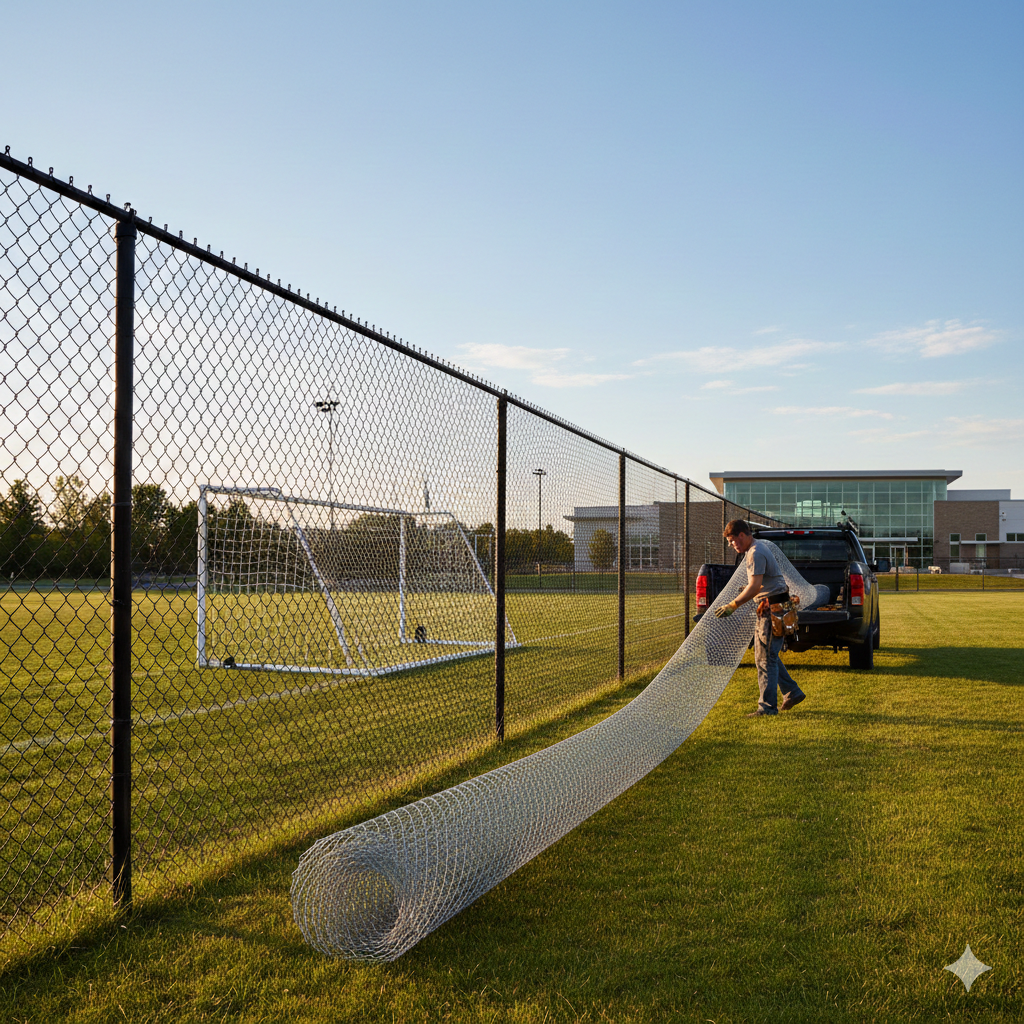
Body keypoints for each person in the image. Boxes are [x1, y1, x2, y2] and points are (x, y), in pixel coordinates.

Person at [713, 519, 806, 717]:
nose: (731, 545)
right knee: (767, 656)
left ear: (741, 535)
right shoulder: (756, 548)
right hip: (772, 608)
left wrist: (733, 605)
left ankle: (767, 708)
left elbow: (755, 586)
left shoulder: (755, 552)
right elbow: (761, 584)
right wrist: (747, 591)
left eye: (731, 540)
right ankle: (792, 692)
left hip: (772, 610)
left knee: (765, 660)